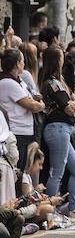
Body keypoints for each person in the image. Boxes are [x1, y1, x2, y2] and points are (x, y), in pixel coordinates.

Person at [38, 45, 75, 220]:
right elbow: (68, 108)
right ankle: (51, 211)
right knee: (57, 173)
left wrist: (73, 100)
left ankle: (73, 208)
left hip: (62, 130)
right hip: (58, 128)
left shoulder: (55, 81)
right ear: (56, 61)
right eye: (61, 57)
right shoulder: (53, 83)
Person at [0, 49, 43, 178]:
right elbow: (32, 105)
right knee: (17, 171)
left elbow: (35, 97)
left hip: (24, 131)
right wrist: (40, 104)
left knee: (22, 170)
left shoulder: (20, 81)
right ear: (18, 63)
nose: (24, 63)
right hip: (16, 131)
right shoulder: (8, 83)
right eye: (22, 60)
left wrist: (37, 102)